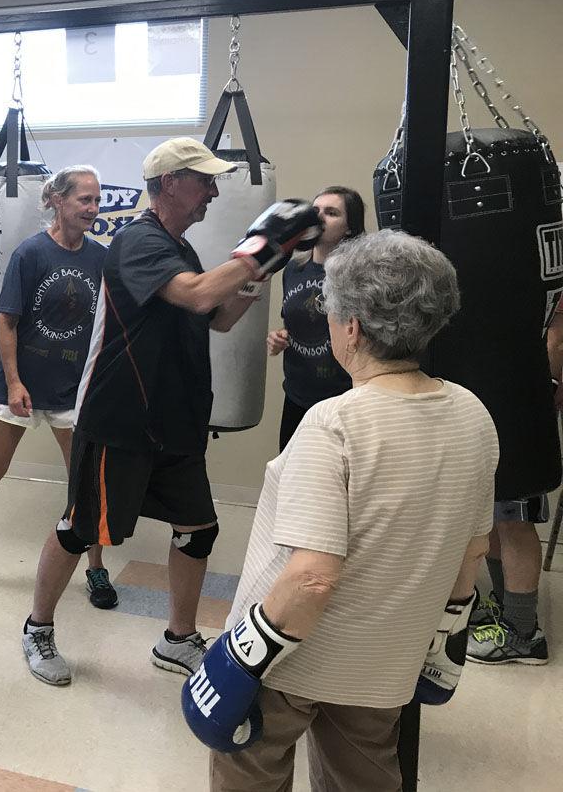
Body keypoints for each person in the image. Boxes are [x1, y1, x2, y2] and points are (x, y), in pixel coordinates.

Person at [186, 230, 496, 792]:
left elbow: (312, 577)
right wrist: (439, 642)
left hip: (292, 664)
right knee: (364, 779)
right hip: (386, 664)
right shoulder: (473, 414)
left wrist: (239, 660)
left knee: (249, 772)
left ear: (351, 327)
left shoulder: (335, 423)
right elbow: (472, 553)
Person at [19, 137, 320, 686]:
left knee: (198, 530)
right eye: (203, 181)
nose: (212, 192)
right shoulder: (138, 241)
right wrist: (257, 249)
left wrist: (261, 270)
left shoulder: (182, 250)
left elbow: (217, 318)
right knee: (81, 528)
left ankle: (177, 639)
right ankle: (38, 627)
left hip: (175, 420)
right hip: (120, 419)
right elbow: (199, 296)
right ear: (168, 183)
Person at [0, 166, 119, 608]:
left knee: (86, 485)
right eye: (84, 200)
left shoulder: (100, 259)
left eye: (97, 201)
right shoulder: (30, 254)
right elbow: (6, 322)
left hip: (72, 390)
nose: (93, 209)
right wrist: (15, 382)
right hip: (18, 383)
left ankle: (95, 567)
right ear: (57, 200)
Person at [466, 297, 558, 665]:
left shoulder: (528, 274)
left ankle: (523, 633)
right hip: (500, 391)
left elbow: (555, 340)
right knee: (494, 509)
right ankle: (506, 608)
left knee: (515, 519)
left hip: (523, 400)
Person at [265, 186, 366, 450]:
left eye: (331, 213)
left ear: (349, 228)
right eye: (315, 210)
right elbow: (296, 322)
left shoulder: (358, 276)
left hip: (342, 400)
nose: (319, 217)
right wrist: (279, 337)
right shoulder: (293, 269)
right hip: (297, 396)